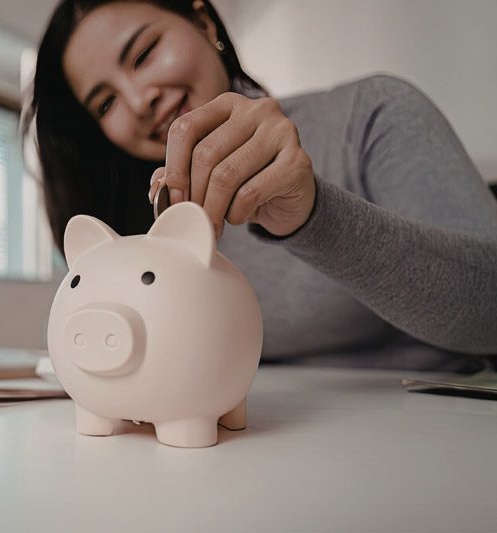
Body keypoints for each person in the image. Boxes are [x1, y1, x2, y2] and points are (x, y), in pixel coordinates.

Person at [27, 0, 497, 370]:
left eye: (145, 54)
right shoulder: (140, 214)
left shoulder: (370, 115)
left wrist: (315, 216)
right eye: (105, 103)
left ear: (204, 23)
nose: (137, 101)